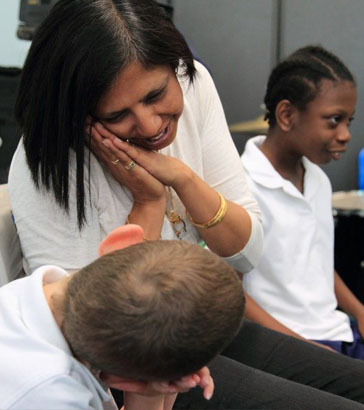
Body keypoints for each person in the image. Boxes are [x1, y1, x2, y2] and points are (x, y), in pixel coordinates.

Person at [7, 1, 364, 408]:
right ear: (80, 111)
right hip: (141, 363)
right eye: (118, 114)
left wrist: (181, 177)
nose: (150, 125)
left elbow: (245, 254)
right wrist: (148, 201)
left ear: (178, 66)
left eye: (156, 95)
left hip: (206, 329)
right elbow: (97, 338)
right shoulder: (45, 164)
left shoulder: (194, 84)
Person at [1, 224, 244, 409]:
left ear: (119, 241)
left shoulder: (24, 295)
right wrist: (152, 390)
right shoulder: (54, 396)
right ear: (123, 382)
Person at [241, 45, 364, 358]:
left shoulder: (318, 179)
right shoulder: (242, 185)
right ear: (286, 115)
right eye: (334, 120)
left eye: (349, 121)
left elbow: (318, 263)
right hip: (287, 345)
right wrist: (307, 352)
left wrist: (359, 311)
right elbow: (233, 295)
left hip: (336, 332)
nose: (346, 134)